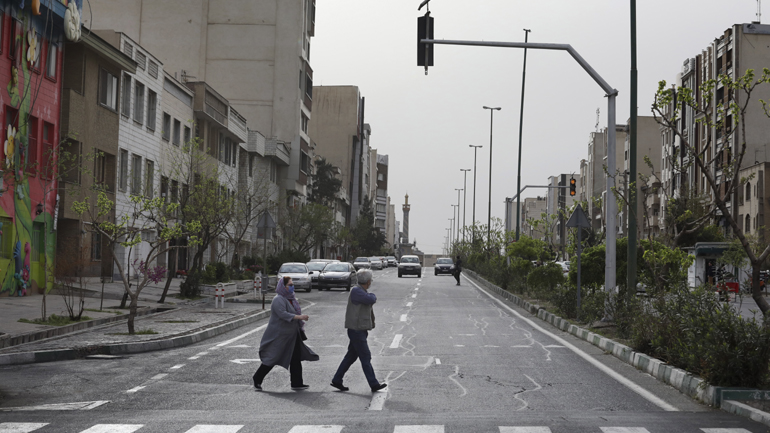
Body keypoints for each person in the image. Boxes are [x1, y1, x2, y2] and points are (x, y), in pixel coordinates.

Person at [252, 276, 318, 391]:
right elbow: (283, 314)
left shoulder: (291, 299)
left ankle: (297, 382)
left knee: (295, 357)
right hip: (279, 335)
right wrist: (299, 317)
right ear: (283, 286)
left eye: (293, 285)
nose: (292, 287)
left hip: (292, 335)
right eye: (290, 285)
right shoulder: (278, 299)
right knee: (272, 357)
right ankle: (257, 378)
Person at [330, 269, 388, 393]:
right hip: (356, 330)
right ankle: (374, 384)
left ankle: (337, 379)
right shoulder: (357, 291)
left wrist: (370, 295)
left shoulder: (360, 291)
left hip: (359, 329)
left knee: (351, 356)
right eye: (370, 280)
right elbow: (371, 299)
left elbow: (369, 298)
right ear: (367, 281)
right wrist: (372, 295)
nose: (371, 282)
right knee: (365, 356)